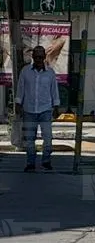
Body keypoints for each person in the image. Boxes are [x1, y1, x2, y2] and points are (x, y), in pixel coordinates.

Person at [16, 45, 61, 173]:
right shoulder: (25, 71)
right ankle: (30, 163)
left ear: (45, 57)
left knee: (48, 137)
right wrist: (18, 104)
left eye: (41, 57)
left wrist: (56, 106)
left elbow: (54, 90)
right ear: (33, 57)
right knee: (30, 139)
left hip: (45, 109)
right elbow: (21, 88)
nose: (39, 59)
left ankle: (46, 161)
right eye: (36, 57)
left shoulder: (50, 73)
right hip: (29, 109)